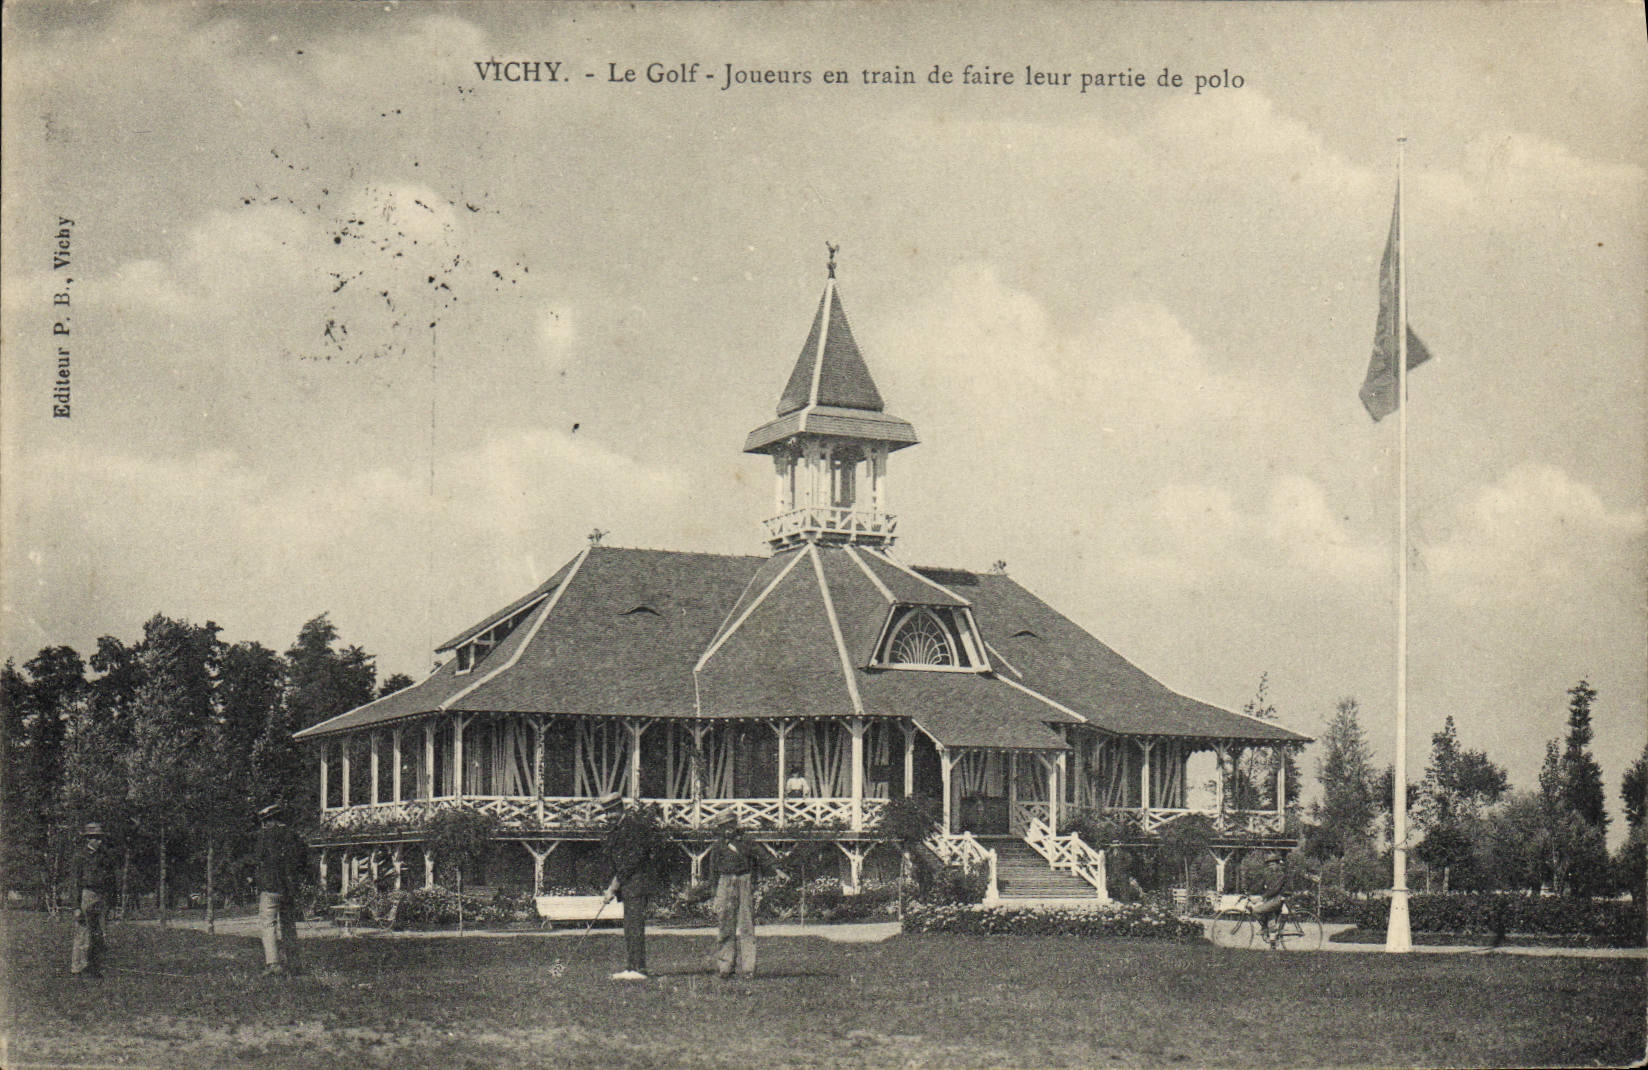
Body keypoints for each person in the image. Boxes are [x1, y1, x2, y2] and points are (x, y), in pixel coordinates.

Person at [600, 792, 670, 981]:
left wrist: (614, 886)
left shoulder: (633, 828)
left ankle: (638, 969)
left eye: (611, 812)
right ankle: (632, 967)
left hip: (637, 883)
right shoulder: (618, 829)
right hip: (628, 884)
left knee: (634, 927)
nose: (608, 816)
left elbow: (632, 861)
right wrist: (612, 885)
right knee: (630, 927)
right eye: (606, 813)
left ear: (620, 808)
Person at [706, 811, 770, 979]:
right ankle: (725, 966)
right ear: (720, 829)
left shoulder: (746, 842)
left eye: (730, 825)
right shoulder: (718, 846)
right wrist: (714, 892)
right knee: (725, 925)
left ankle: (748, 968)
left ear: (735, 825)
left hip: (744, 881)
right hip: (725, 882)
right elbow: (712, 870)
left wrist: (776, 869)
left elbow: (762, 856)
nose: (728, 829)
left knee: (746, 924)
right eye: (724, 827)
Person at [254, 801, 306, 975]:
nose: (264, 824)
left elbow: (257, 858)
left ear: (269, 820)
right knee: (289, 924)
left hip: (270, 886)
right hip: (288, 887)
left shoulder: (264, 835)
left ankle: (273, 963)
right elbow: (302, 860)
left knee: (268, 923)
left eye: (265, 821)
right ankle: (295, 963)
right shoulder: (293, 835)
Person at [70, 822, 115, 978]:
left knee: (99, 933)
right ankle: (77, 968)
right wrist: (76, 906)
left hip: (102, 896)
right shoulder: (80, 856)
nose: (99, 842)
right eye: (95, 838)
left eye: (100, 838)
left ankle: (94, 967)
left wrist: (111, 902)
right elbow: (75, 882)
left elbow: (111, 880)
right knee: (83, 932)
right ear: (88, 839)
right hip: (86, 894)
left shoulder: (105, 856)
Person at [1251, 854, 1290, 948]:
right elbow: (1260, 885)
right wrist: (1248, 892)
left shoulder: (1281, 875)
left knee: (1256, 910)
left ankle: (1265, 928)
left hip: (1277, 899)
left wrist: (1261, 898)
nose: (1270, 866)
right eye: (1269, 865)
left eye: (1272, 864)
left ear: (1277, 864)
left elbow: (1275, 890)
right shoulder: (1268, 874)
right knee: (1270, 918)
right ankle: (1273, 943)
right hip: (1270, 900)